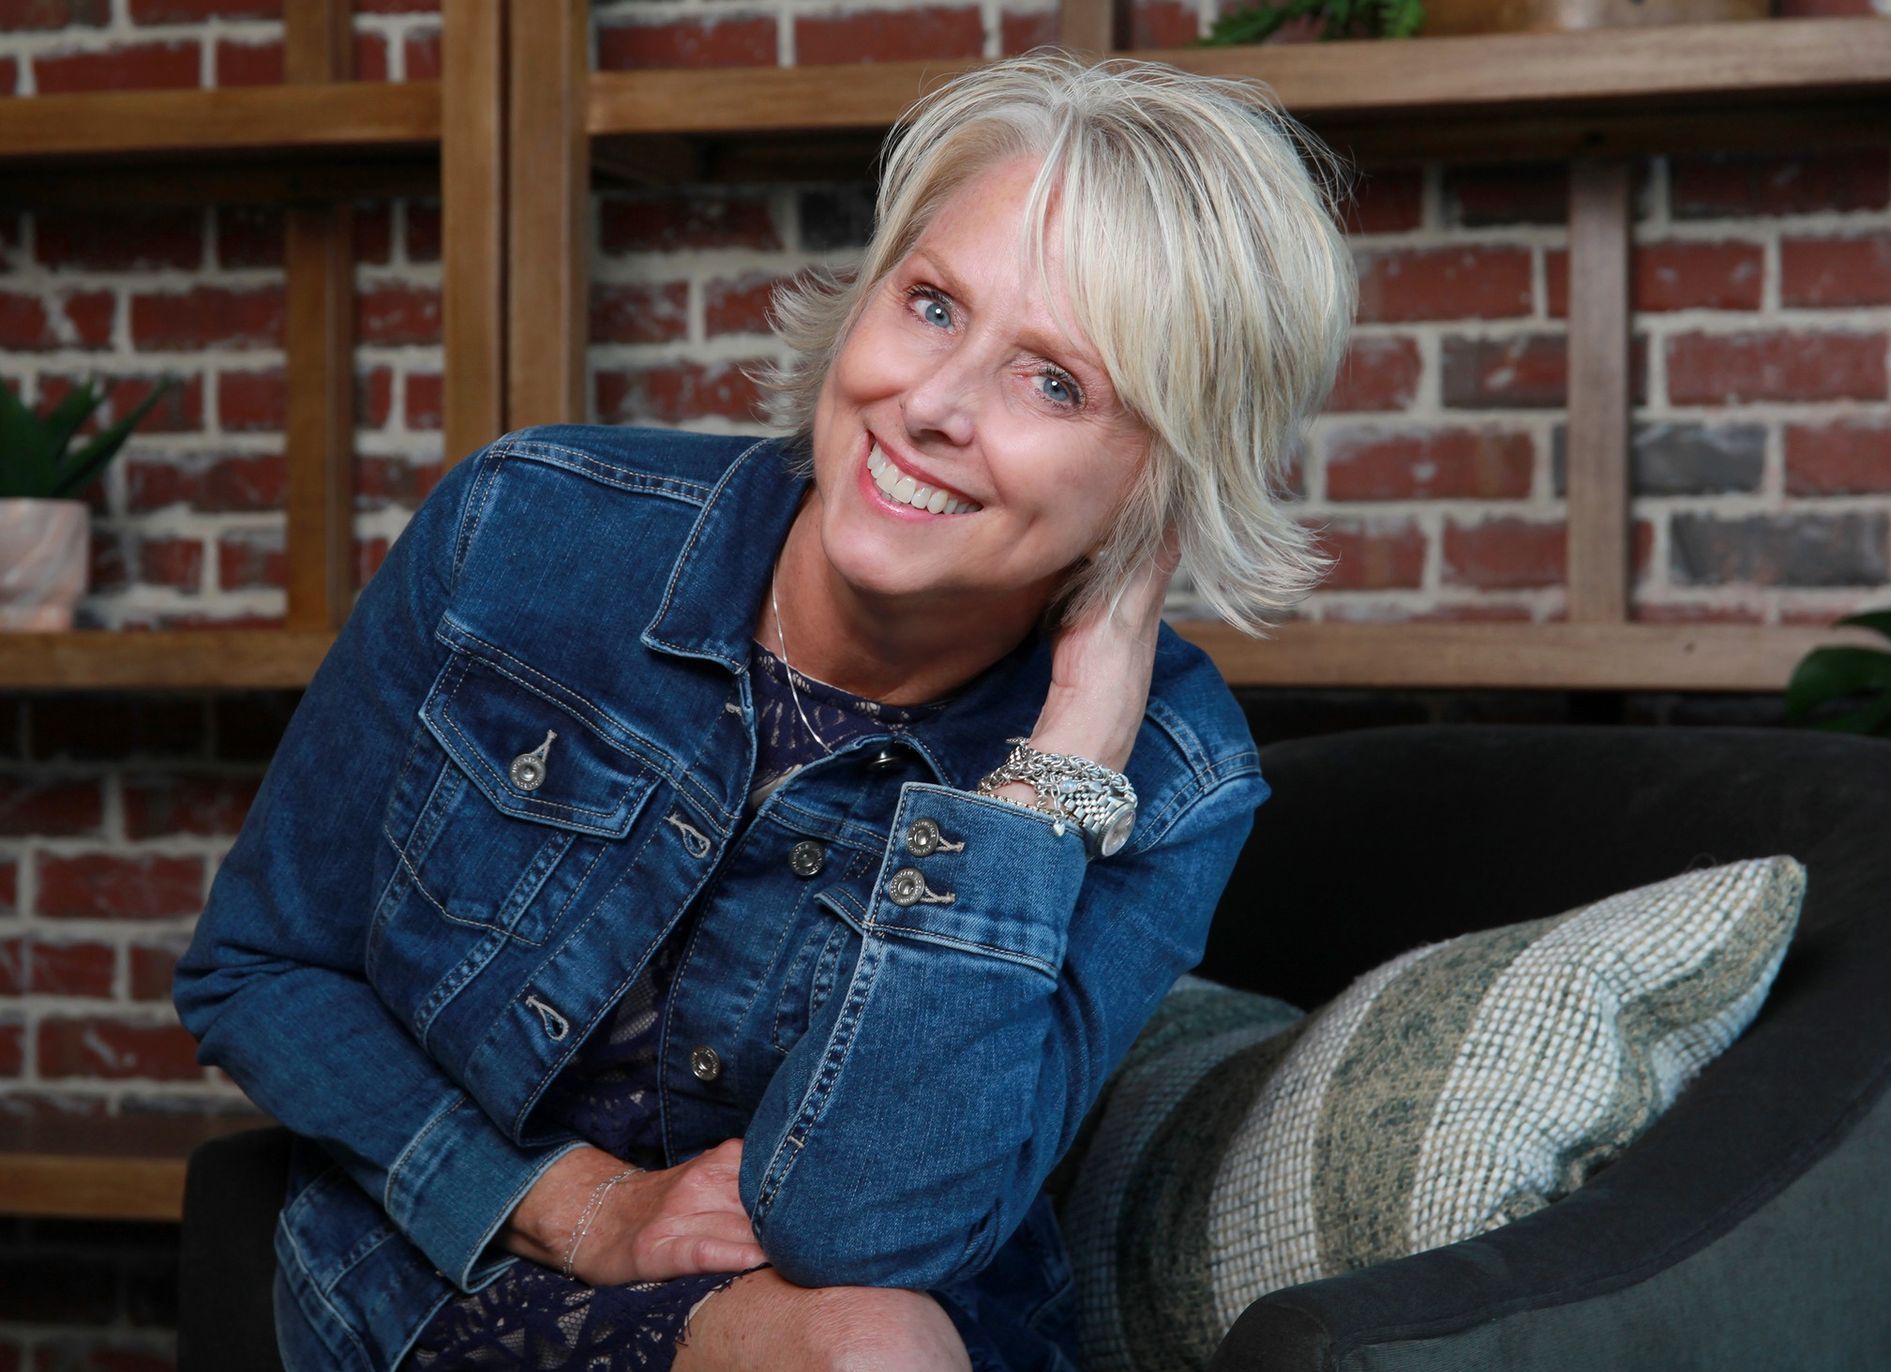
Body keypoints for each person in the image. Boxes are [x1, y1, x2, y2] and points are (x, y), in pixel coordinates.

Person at [174, 49, 1356, 1372]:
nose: (931, 406)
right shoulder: (526, 534)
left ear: (1167, 480)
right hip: (453, 1266)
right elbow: (258, 967)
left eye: (1056, 383)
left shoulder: (1177, 776)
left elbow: (868, 1234)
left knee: (873, 1344)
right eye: (929, 305)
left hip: (855, 1326)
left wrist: (1048, 781)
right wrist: (581, 1206)